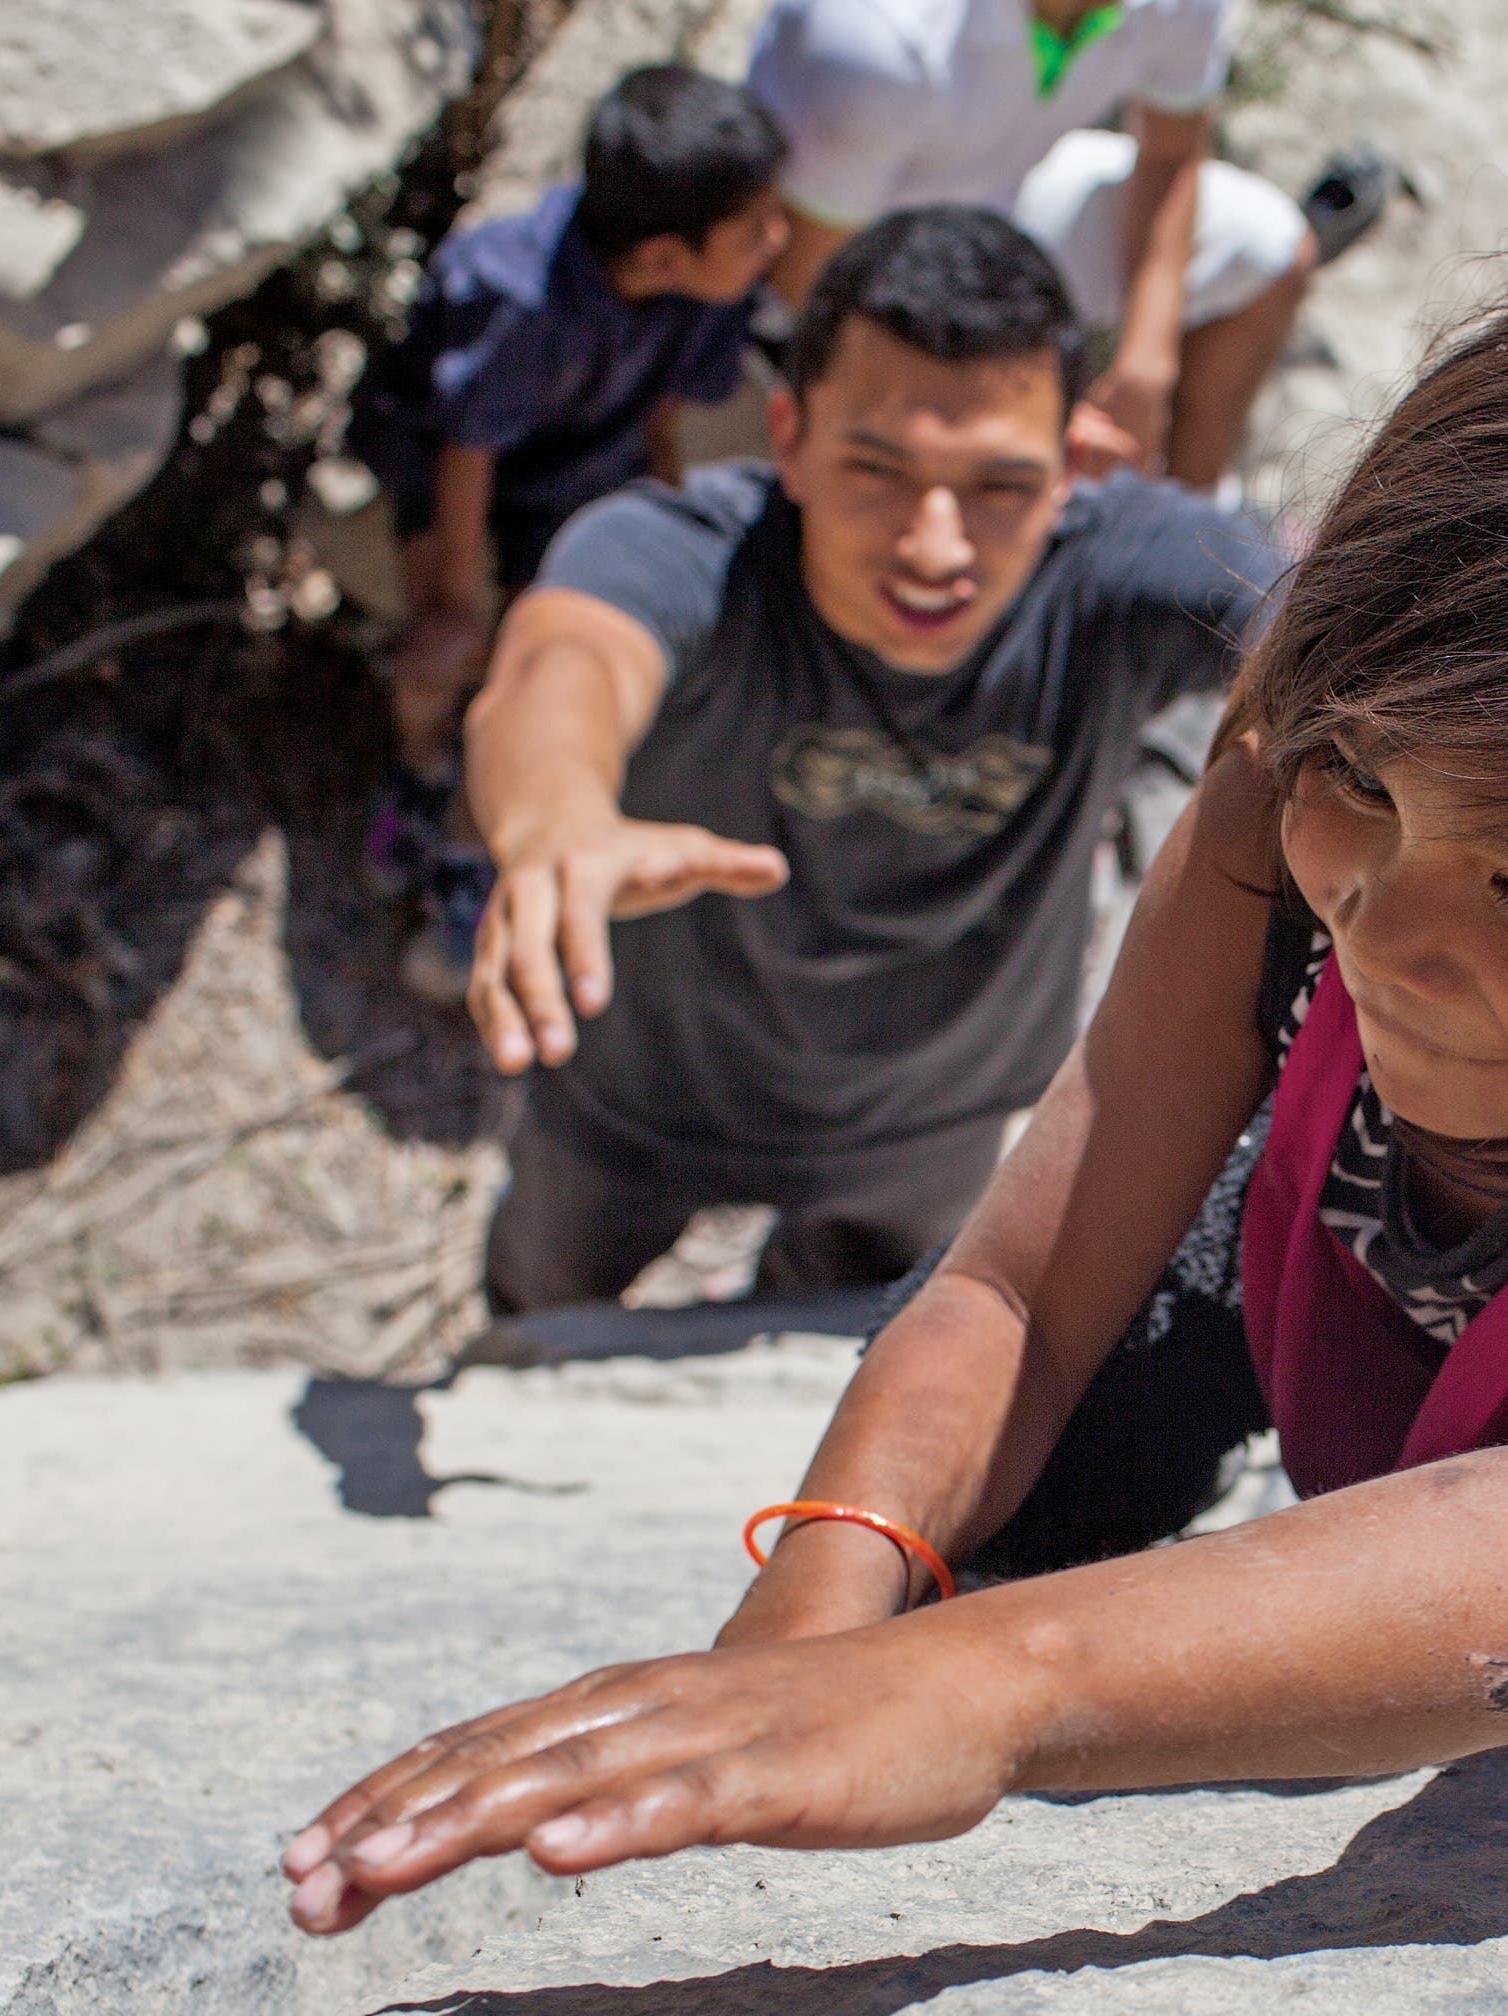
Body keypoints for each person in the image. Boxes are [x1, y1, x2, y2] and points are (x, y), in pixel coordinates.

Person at [280, 226, 1508, 1934]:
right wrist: (809, 1629)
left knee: (1007, 1626)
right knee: (990, 1532)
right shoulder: (1315, 772)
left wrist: (982, 1695)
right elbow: (1027, 1275)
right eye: (1365, 796)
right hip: (1341, 1249)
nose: (1385, 931)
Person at [460, 204, 1280, 1315]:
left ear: (1071, 469)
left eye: (996, 486)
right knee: (540, 1311)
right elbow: (564, 661)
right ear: (787, 436)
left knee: (850, 1333)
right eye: (877, 468)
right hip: (633, 1092)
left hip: (930, 1118)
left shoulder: (1115, 575)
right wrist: (555, 821)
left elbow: (1325, 624)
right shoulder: (688, 551)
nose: (932, 545)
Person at [349, 65, 792, 997]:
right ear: (668, 254)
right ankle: (417, 768)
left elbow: (662, 417)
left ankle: (478, 844)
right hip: (453, 479)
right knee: (455, 651)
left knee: (543, 665)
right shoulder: (516, 294)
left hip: (577, 474)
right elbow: (467, 454)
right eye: (754, 227)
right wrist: (456, 595)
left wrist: (657, 533)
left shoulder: (710, 293)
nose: (777, 240)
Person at [744, 0, 1313, 491]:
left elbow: (1169, 159)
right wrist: (1036, 409)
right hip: (842, 293)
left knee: (1270, 250)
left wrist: (1145, 367)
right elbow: (806, 283)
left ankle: (1182, 537)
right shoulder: (874, 39)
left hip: (1005, 201)